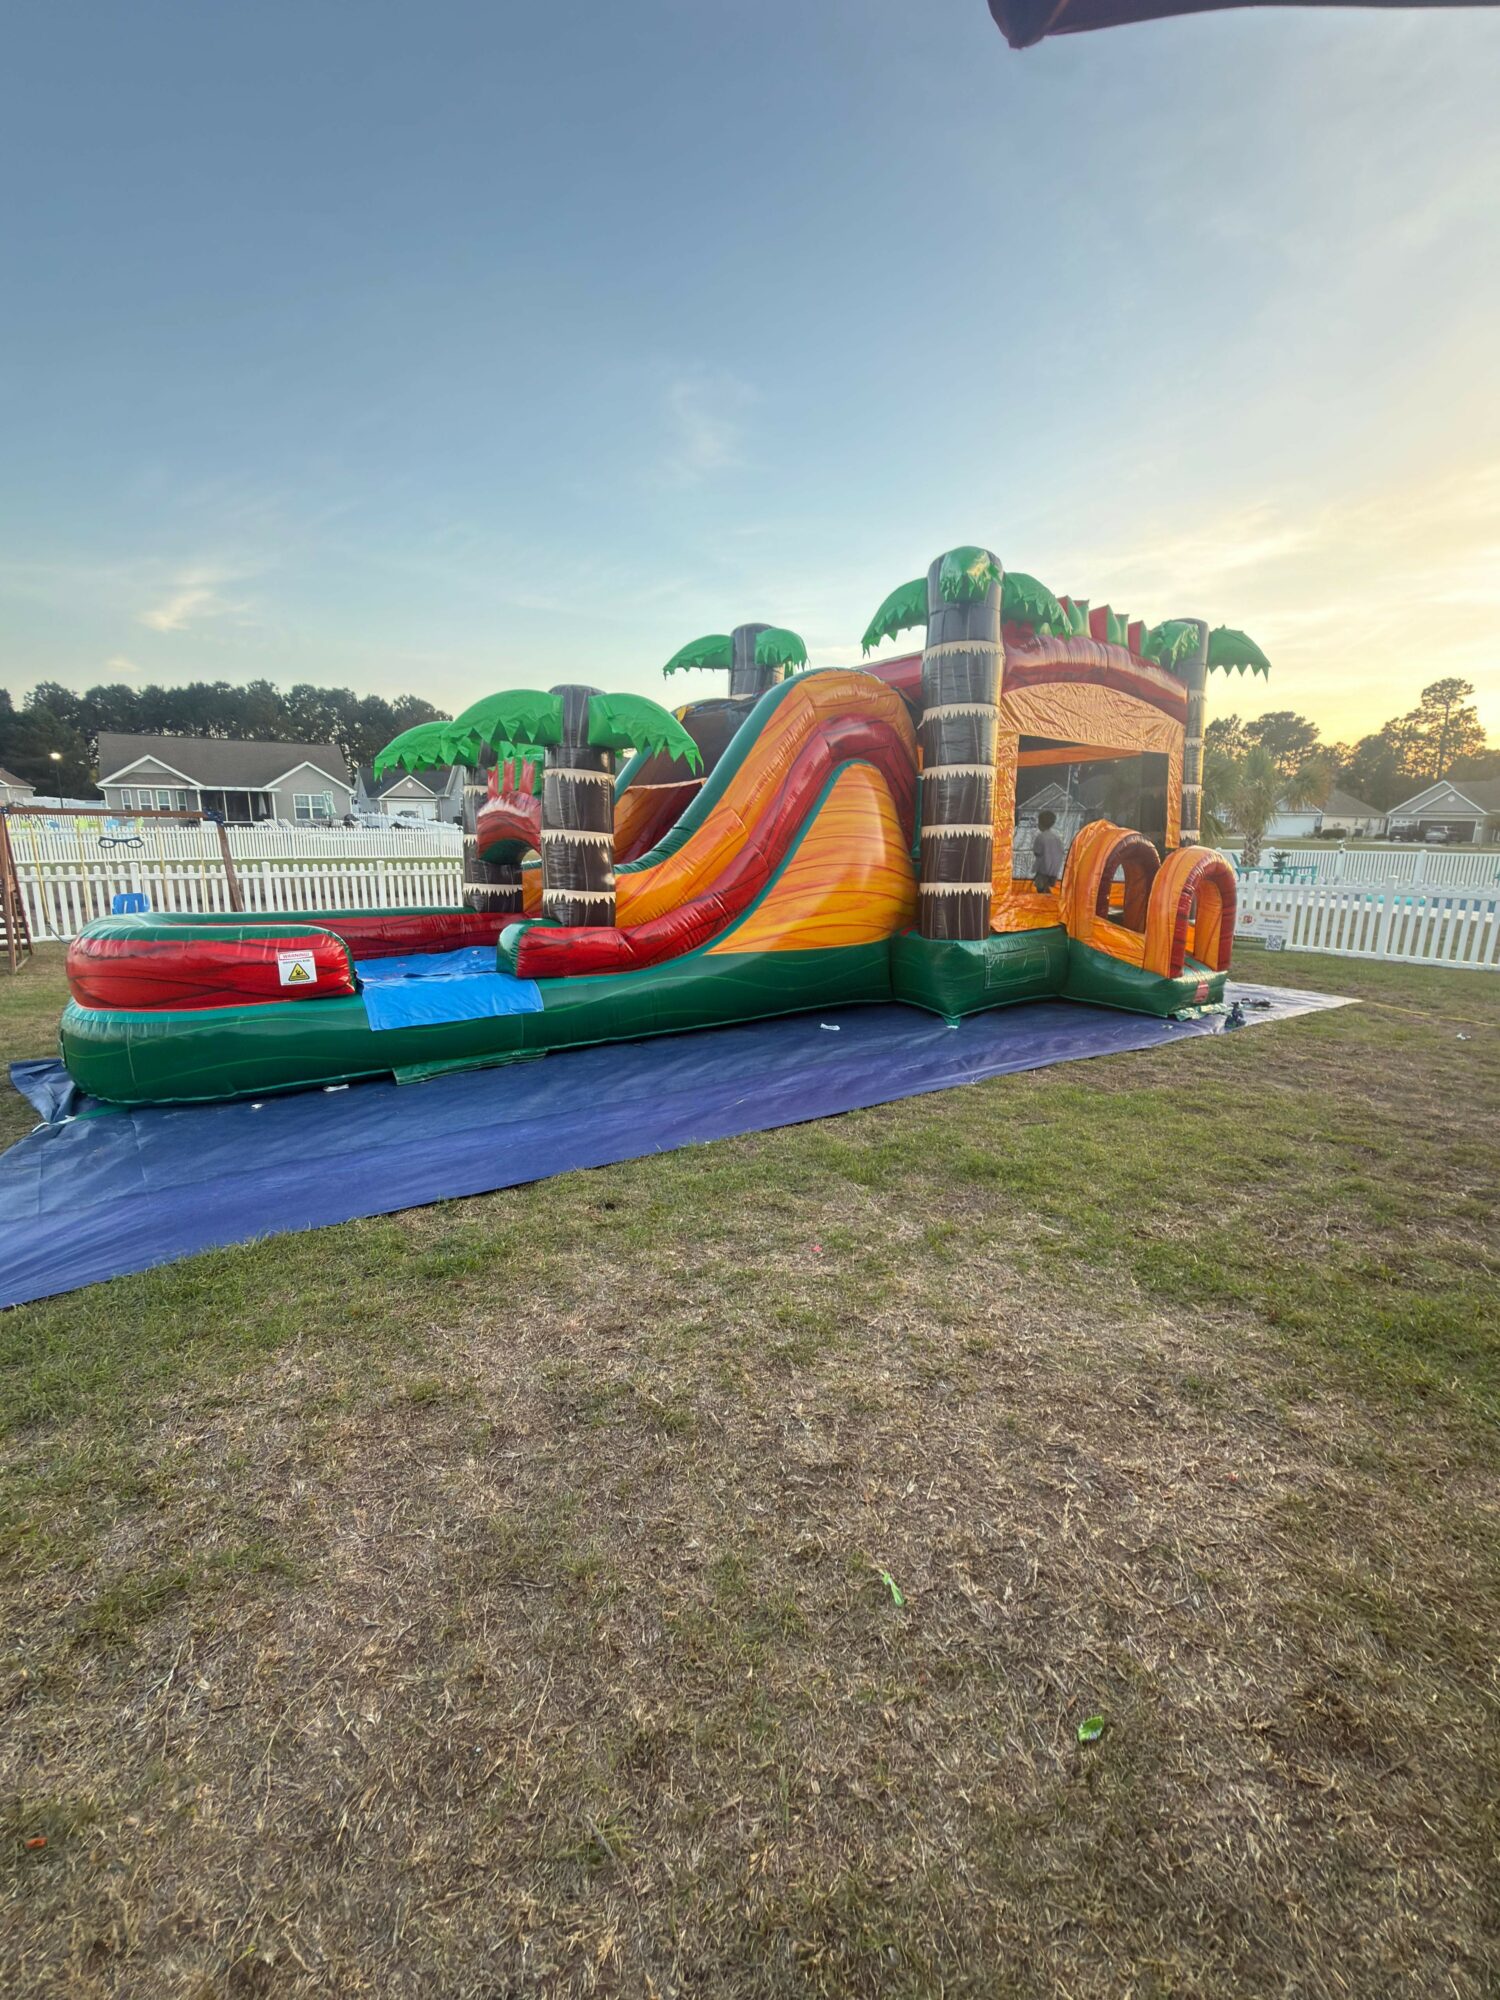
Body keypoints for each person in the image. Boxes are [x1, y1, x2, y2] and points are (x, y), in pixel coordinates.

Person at [1031, 809, 1064, 895]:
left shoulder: (1040, 837)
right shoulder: (1057, 838)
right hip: (1054, 870)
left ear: (1041, 823)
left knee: (1041, 889)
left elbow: (1037, 852)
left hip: (1043, 869)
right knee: (1045, 889)